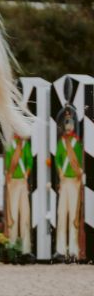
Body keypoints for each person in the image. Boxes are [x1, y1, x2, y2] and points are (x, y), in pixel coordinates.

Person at [53, 106, 84, 261]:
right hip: (64, 181)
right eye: (67, 123)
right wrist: (60, 172)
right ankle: (60, 249)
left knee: (73, 216)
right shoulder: (62, 143)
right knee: (61, 214)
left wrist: (79, 175)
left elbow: (80, 163)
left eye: (70, 123)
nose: (69, 125)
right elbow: (58, 159)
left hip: (74, 182)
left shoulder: (76, 144)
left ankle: (73, 249)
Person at [4, 134, 33, 258]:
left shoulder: (25, 145)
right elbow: (8, 164)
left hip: (22, 182)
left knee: (25, 214)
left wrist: (25, 176)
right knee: (13, 215)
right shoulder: (10, 145)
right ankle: (12, 246)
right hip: (13, 183)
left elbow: (29, 162)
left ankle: (25, 248)